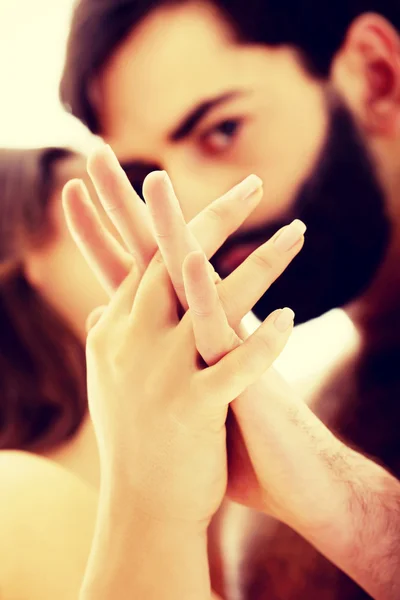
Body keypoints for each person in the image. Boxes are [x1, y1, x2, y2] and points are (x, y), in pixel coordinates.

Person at [60, 1, 400, 596]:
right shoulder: (260, 457)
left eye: (221, 130)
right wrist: (147, 504)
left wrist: (351, 510)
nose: (185, 210)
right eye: (148, 175)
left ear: (376, 75)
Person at [0, 145, 303, 598]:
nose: (169, 224)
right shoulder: (16, 496)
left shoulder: (236, 493)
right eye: (112, 203)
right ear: (17, 260)